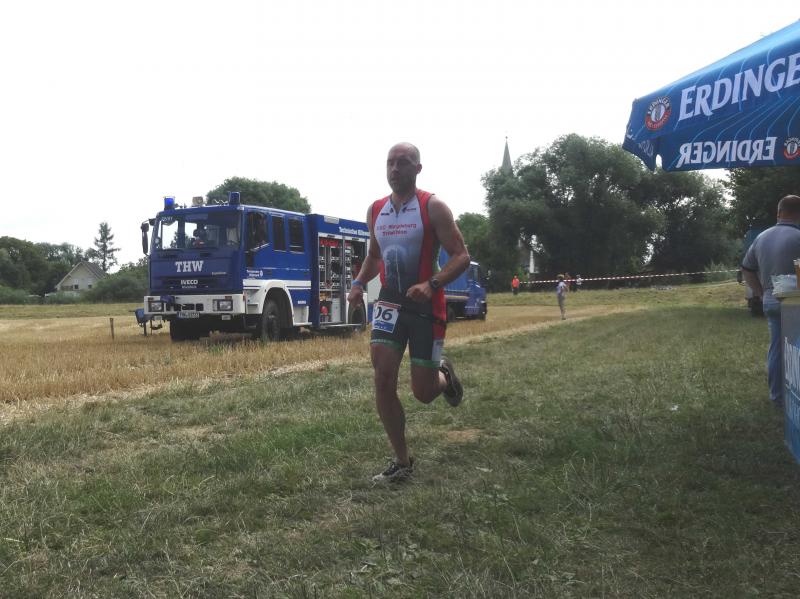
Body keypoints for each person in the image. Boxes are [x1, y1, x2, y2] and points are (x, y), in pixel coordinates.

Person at [347, 142, 470, 483]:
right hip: (390, 302)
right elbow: (375, 256)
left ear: (418, 168)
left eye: (403, 162)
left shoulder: (433, 207)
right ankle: (402, 462)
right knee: (382, 377)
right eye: (390, 162)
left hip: (426, 303)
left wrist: (432, 284)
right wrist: (358, 283)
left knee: (423, 393)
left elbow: (461, 255)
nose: (395, 169)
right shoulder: (376, 210)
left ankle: (444, 376)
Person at [741, 194, 800, 409]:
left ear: (779, 212)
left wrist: (759, 293)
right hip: (795, 302)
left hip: (771, 301)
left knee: (776, 348)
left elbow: (747, 268)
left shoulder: (761, 237)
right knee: (796, 348)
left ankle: (777, 396)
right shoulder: (798, 236)